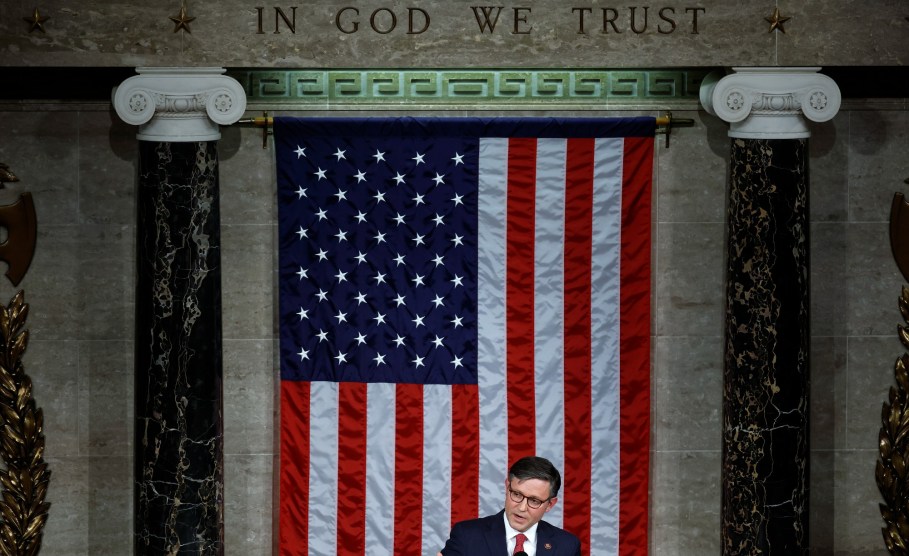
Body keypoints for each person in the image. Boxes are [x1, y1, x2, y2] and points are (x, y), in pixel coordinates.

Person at [438, 456, 582, 556]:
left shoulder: (567, 546)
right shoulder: (467, 535)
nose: (522, 508)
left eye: (534, 501)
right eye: (517, 495)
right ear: (507, 487)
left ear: (550, 504)